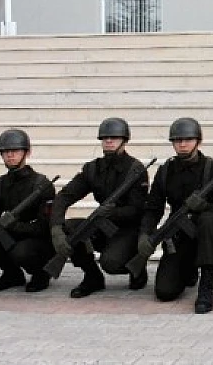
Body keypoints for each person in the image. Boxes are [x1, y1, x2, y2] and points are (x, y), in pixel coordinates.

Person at [138, 118, 213, 314]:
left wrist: (206, 206)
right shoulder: (166, 170)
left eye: (188, 139)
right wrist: (145, 234)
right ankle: (189, 270)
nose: (182, 144)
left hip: (205, 233)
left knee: (208, 219)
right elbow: (154, 207)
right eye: (177, 140)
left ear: (198, 141)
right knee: (165, 292)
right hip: (178, 233)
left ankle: (207, 286)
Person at [49, 117, 150, 298]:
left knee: (111, 263)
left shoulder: (136, 170)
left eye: (114, 137)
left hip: (128, 229)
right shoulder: (93, 169)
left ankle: (138, 269)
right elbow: (64, 196)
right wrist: (56, 227)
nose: (109, 141)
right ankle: (92, 277)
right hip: (103, 224)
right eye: (105, 138)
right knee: (71, 229)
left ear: (124, 141)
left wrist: (114, 212)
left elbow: (138, 210)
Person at [0, 129, 56, 293]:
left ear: (27, 152)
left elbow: (45, 227)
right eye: (5, 152)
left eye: (15, 151)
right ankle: (11, 275)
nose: (10, 155)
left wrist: (13, 226)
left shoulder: (42, 184)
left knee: (21, 252)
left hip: (39, 240)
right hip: (11, 235)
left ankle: (41, 274)